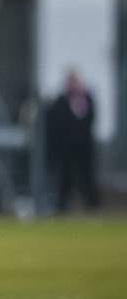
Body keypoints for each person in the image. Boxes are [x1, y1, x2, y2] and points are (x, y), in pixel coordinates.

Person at [46, 70, 100, 212]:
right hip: (66, 148)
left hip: (83, 147)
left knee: (86, 177)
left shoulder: (86, 98)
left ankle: (91, 206)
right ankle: (61, 207)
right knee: (65, 179)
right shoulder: (60, 101)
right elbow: (55, 123)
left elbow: (91, 118)